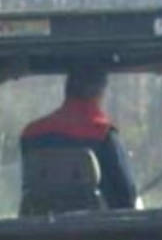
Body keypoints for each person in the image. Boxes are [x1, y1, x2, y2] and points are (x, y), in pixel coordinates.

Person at [20, 70, 136, 209]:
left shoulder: (31, 133)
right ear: (100, 93)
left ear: (67, 90)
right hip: (99, 229)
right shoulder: (104, 135)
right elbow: (127, 197)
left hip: (37, 229)